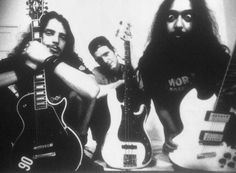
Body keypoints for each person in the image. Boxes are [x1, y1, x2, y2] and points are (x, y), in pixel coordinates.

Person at [0, 11, 100, 171]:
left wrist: (48, 59)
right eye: (49, 33)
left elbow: (93, 89)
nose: (56, 40)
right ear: (36, 34)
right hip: (21, 143)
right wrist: (27, 68)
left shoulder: (68, 62)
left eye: (63, 37)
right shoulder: (17, 61)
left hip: (63, 145)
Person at [138, 0, 232, 153]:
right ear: (163, 21)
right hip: (179, 136)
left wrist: (214, 135)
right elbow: (160, 104)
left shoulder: (217, 57)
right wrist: (174, 135)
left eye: (188, 17)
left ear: (198, 20)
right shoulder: (151, 61)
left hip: (215, 132)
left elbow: (226, 102)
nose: (179, 25)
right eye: (171, 17)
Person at [88, 36, 150, 161]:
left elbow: (145, 86)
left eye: (106, 54)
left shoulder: (129, 69)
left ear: (114, 50)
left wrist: (132, 65)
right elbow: (95, 92)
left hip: (133, 128)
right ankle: (103, 147)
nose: (105, 60)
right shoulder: (97, 73)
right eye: (99, 59)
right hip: (108, 131)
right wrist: (121, 83)